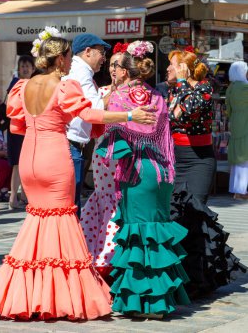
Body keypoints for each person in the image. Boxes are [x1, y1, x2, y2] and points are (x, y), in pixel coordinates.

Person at [0, 28, 155, 320]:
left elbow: (16, 126)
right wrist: (129, 115)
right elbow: (90, 115)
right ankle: (60, 297)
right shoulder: (63, 86)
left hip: (29, 162)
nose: (70, 63)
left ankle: (28, 294)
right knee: (62, 224)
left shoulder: (22, 87)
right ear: (59, 60)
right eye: (68, 57)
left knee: (37, 225)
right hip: (55, 158)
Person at [96, 41, 190, 318]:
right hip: (159, 168)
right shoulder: (156, 95)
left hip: (135, 169)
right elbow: (164, 133)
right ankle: (159, 304)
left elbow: (111, 137)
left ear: (126, 70)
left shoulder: (119, 98)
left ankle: (144, 305)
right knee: (157, 236)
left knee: (139, 237)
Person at [167, 49, 247, 298]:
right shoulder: (176, 90)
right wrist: (179, 91)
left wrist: (182, 86)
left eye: (172, 66)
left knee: (196, 212)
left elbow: (189, 110)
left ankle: (201, 278)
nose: (167, 69)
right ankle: (181, 276)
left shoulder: (202, 89)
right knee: (177, 215)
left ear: (184, 69)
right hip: (178, 159)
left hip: (199, 160)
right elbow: (171, 116)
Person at [80, 43, 129, 281]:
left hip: (124, 156)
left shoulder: (134, 93)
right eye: (111, 64)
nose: (113, 68)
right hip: (102, 156)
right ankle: (97, 255)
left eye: (118, 64)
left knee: (120, 200)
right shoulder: (100, 92)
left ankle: (115, 258)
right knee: (103, 200)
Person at [63, 33, 112, 218]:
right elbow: (96, 109)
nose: (104, 59)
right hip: (72, 144)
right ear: (88, 51)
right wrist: (116, 91)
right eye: (101, 52)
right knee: (72, 206)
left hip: (74, 143)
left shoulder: (79, 70)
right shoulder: (81, 72)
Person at [7, 55, 35, 209]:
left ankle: (24, 195)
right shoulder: (15, 83)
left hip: (27, 128)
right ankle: (13, 198)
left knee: (25, 163)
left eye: (27, 66)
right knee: (17, 164)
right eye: (22, 66)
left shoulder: (33, 83)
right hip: (18, 129)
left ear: (33, 69)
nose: (25, 69)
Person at [226, 61, 248, 200]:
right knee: (244, 158)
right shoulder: (245, 87)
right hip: (245, 121)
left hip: (235, 121)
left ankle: (236, 189)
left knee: (238, 157)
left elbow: (228, 109)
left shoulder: (231, 87)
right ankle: (241, 190)